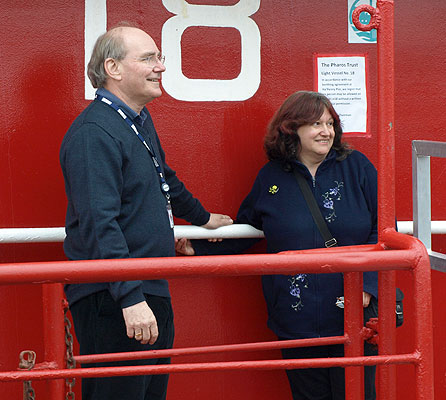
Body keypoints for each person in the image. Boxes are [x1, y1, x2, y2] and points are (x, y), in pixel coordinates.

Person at [59, 23, 232, 400]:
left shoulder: (136, 122)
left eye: (160, 57)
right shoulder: (93, 132)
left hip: (148, 287)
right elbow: (99, 223)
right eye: (148, 58)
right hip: (114, 298)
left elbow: (163, 178)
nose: (161, 67)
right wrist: (130, 298)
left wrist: (202, 218)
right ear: (113, 68)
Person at [176, 91, 378, 400]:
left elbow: (383, 229)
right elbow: (247, 231)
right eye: (316, 124)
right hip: (296, 319)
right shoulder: (271, 178)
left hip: (352, 313)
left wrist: (368, 284)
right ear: (291, 128)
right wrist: (199, 248)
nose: (326, 131)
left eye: (330, 123)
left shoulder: (357, 167)